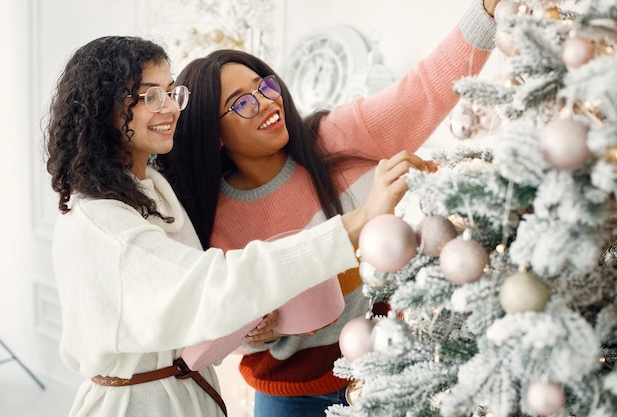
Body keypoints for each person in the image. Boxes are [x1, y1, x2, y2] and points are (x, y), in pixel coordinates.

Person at [158, 0, 502, 415]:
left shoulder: (339, 135)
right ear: (214, 135)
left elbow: (425, 89)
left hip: (391, 367)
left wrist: (485, 12)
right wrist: (257, 331)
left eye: (264, 86)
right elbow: (220, 320)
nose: (267, 102)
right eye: (242, 103)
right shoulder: (212, 219)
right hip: (289, 395)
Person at [43, 35, 416, 417]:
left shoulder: (153, 192)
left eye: (171, 92)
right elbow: (214, 285)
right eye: (150, 96)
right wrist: (359, 221)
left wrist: (257, 322)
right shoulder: (104, 224)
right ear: (104, 110)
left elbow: (196, 309)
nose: (170, 107)